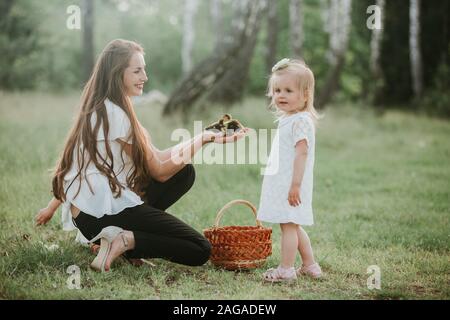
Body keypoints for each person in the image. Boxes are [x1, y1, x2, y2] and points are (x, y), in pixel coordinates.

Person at [35, 39, 247, 272]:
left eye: (144, 70)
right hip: (100, 216)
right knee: (199, 248)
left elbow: (157, 156)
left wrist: (205, 135)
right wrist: (204, 139)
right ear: (117, 74)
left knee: (184, 171)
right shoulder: (115, 115)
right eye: (137, 71)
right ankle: (125, 241)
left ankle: (120, 241)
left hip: (89, 215)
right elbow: (159, 171)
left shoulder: (103, 107)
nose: (144, 77)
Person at [257, 58, 322, 282]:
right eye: (276, 90)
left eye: (288, 90)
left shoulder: (300, 121)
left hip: (291, 183)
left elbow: (301, 153)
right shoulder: (289, 119)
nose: (281, 95)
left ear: (305, 95)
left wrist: (295, 185)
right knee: (291, 224)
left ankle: (286, 269)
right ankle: (310, 265)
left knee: (289, 227)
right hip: (286, 182)